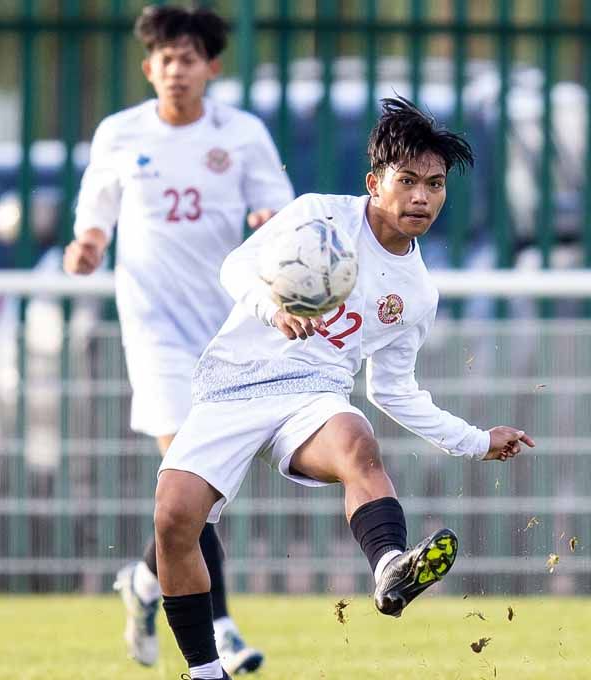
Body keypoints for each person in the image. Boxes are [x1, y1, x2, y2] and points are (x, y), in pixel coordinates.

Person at [152, 96, 536, 680]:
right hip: (233, 383)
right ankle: (205, 672)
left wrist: (476, 441)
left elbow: (395, 390)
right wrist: (273, 307)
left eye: (435, 185)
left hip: (314, 392)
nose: (421, 197)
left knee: (356, 437)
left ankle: (389, 569)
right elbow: (237, 266)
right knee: (174, 520)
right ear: (373, 182)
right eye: (407, 181)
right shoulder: (317, 215)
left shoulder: (416, 293)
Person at [63, 4, 294, 674]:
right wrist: (86, 246)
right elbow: (95, 214)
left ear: (211, 67)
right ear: (148, 68)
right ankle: (219, 627)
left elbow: (277, 212)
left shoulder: (242, 134)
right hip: (155, 328)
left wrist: (267, 224)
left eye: (189, 58)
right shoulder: (120, 134)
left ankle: (143, 583)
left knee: (204, 495)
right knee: (193, 472)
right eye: (165, 59)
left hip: (230, 329)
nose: (175, 69)